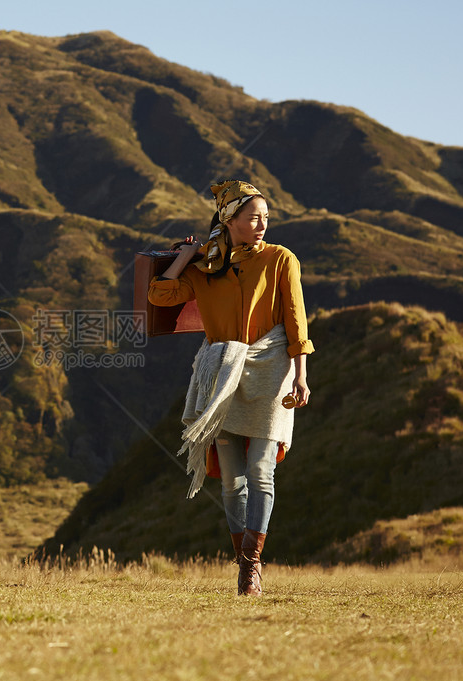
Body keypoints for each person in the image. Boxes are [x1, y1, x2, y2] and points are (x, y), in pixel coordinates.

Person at [147, 180, 314, 596]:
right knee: (230, 480)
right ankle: (245, 563)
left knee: (261, 470)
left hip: (272, 368)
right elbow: (160, 294)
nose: (261, 224)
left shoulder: (280, 259)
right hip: (222, 375)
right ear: (229, 219)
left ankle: (251, 567)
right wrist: (184, 257)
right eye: (253, 217)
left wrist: (301, 374)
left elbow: (296, 320)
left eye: (266, 218)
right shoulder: (205, 265)